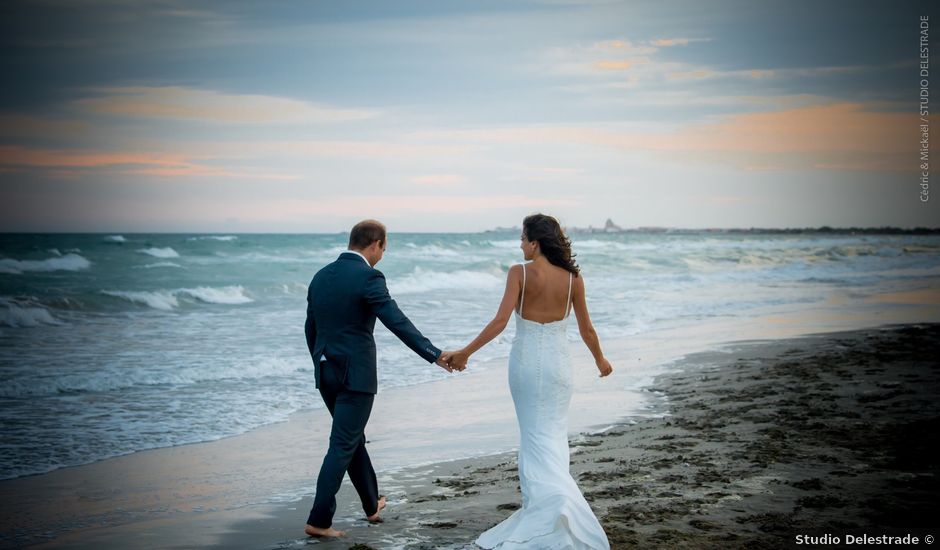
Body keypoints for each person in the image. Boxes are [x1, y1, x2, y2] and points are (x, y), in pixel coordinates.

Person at [443, 213, 613, 550]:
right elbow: (587, 329)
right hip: (560, 367)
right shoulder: (572, 279)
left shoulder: (519, 272)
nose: (520, 245)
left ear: (535, 242)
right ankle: (551, 506)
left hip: (525, 364)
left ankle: (553, 507)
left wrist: (465, 352)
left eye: (522, 238)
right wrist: (600, 360)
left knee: (533, 436)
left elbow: (500, 321)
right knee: (552, 434)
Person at [303, 219, 458, 538]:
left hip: (325, 370)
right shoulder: (368, 276)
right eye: (384, 248)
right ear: (374, 244)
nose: (383, 254)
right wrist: (434, 353)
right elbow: (395, 320)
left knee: (351, 438)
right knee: (343, 443)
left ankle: (372, 504)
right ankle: (319, 520)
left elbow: (310, 328)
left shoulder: (320, 276)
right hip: (354, 375)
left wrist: (320, 361)